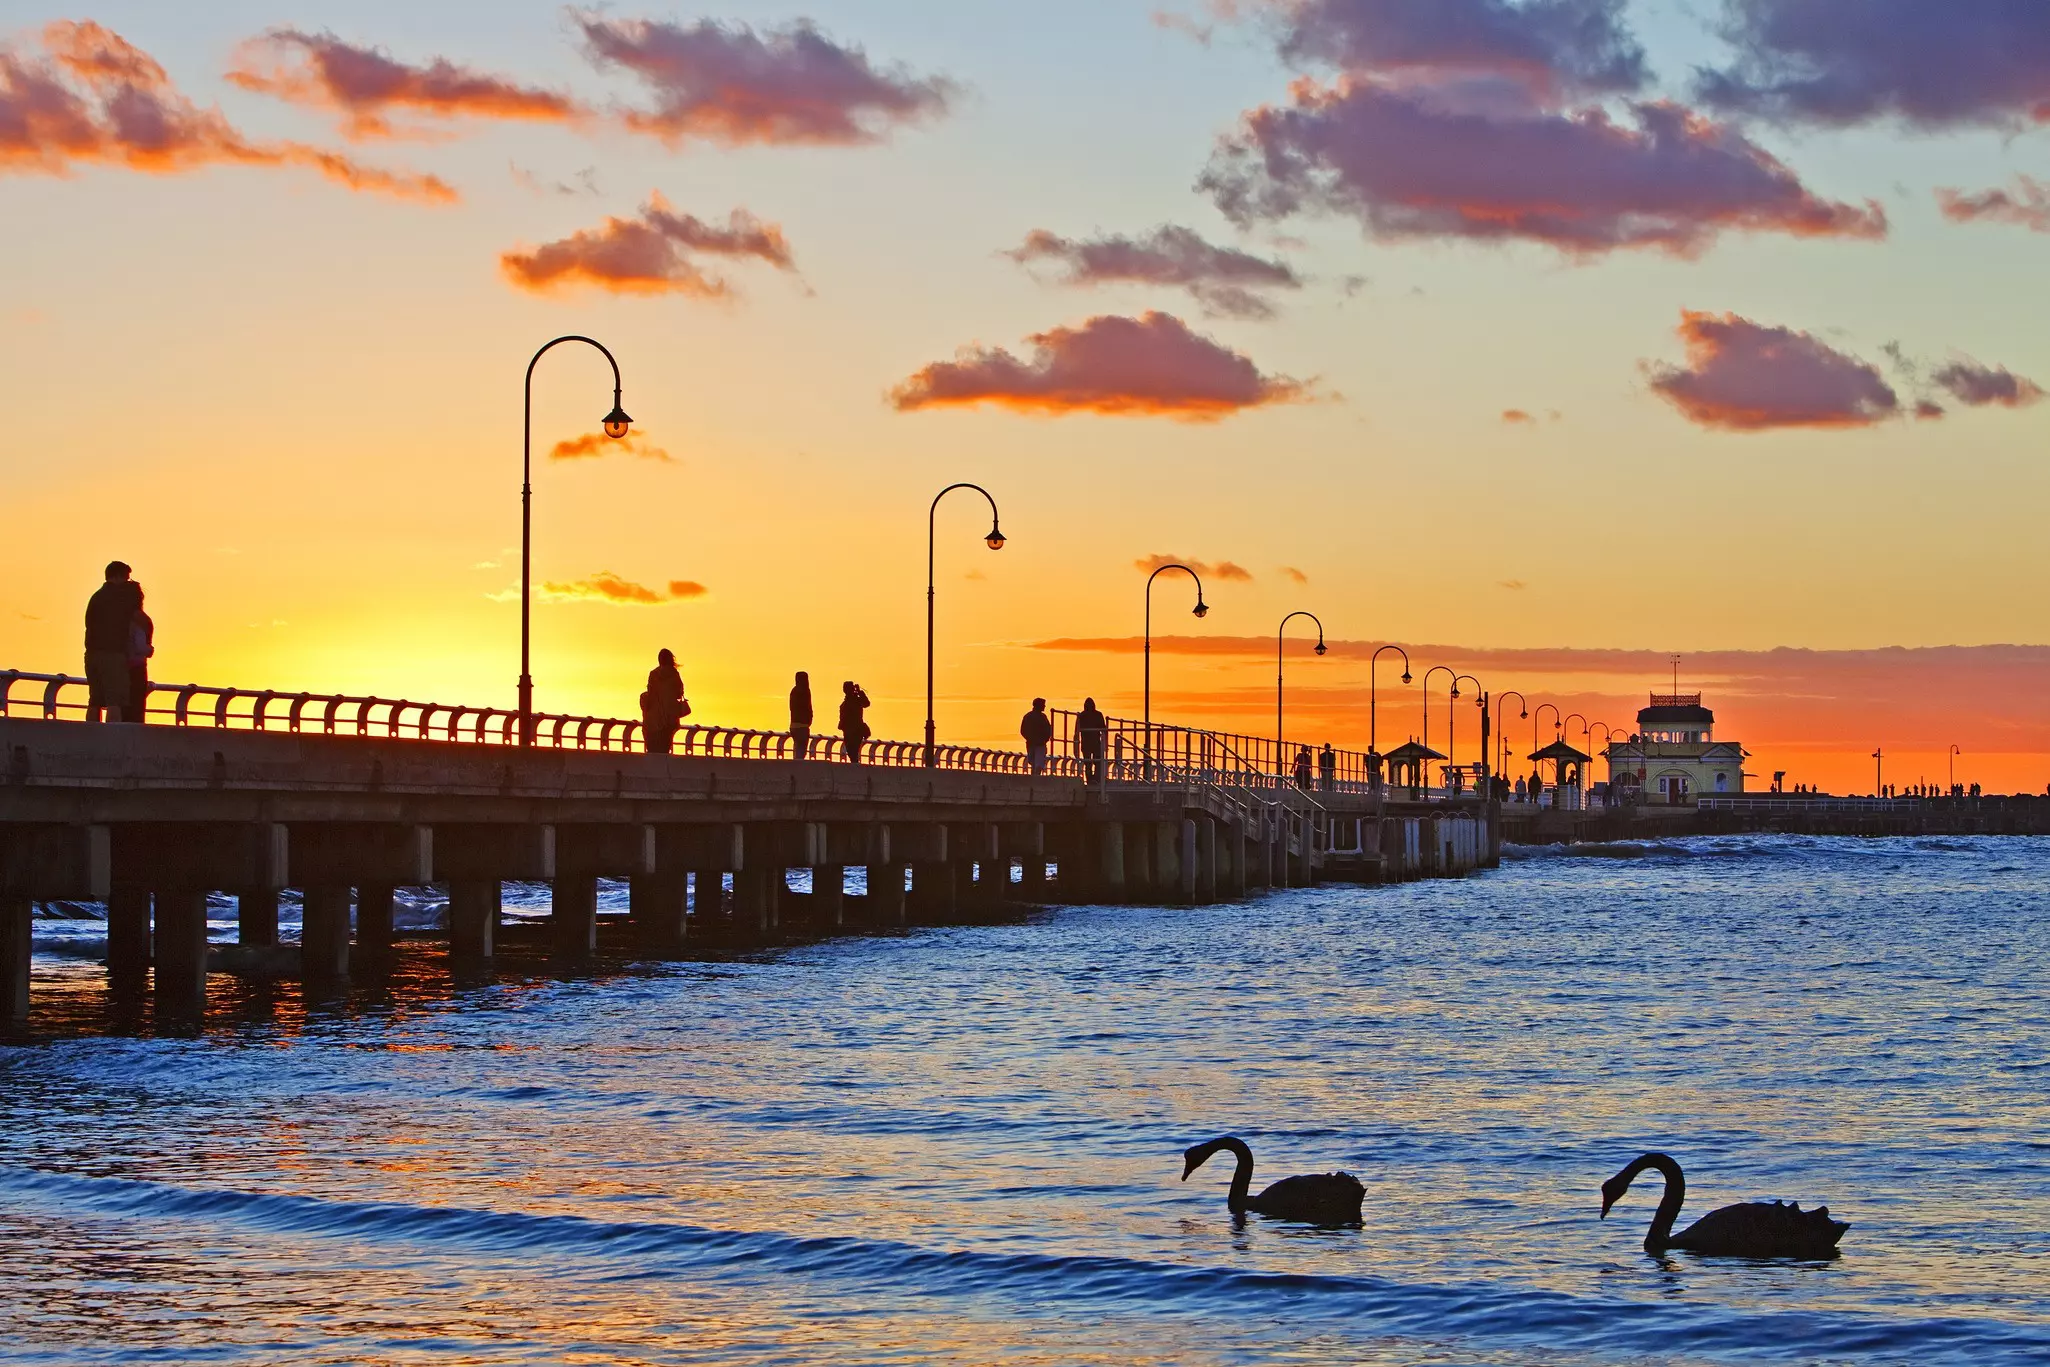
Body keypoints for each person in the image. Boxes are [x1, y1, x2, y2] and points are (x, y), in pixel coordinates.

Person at [84, 561, 140, 723]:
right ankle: (112, 738)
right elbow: (134, 615)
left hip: (92, 653)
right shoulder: (118, 598)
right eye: (126, 579)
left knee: (95, 699)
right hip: (112, 654)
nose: (128, 582)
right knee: (115, 700)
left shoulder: (97, 597)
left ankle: (90, 734)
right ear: (116, 577)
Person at [640, 648, 687, 754]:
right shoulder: (674, 674)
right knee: (666, 742)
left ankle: (654, 762)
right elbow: (680, 692)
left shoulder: (654, 674)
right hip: (670, 715)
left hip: (655, 716)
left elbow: (650, 691)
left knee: (653, 745)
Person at [127, 585, 155, 723]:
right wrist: (150, 650)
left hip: (121, 666)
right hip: (138, 667)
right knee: (137, 705)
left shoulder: (118, 618)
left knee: (123, 706)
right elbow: (140, 646)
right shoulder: (141, 619)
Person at [1075, 697, 1108, 786]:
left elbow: (1076, 732)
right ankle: (1095, 779)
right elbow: (1104, 730)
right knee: (1097, 763)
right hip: (1095, 743)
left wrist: (1075, 746)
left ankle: (1090, 780)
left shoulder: (1081, 715)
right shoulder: (1098, 715)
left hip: (1087, 744)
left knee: (1088, 763)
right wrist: (1106, 744)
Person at [838, 680, 871, 764]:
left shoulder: (856, 701)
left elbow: (866, 703)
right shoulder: (847, 703)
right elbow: (866, 703)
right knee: (852, 751)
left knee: (853, 751)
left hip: (855, 730)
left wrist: (860, 692)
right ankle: (855, 764)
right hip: (851, 730)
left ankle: (855, 765)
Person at [1020, 697, 1054, 775]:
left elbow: (1023, 731)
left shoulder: (1028, 716)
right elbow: (1048, 729)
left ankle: (1034, 777)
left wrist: (1029, 738)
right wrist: (1045, 739)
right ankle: (1036, 777)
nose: (1044, 706)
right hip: (1040, 744)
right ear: (1038, 706)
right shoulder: (1043, 717)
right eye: (1043, 705)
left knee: (1033, 763)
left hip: (1031, 743)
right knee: (1038, 763)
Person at [789, 671, 814, 759]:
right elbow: (808, 707)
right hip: (803, 726)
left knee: (797, 748)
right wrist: (809, 719)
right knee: (801, 752)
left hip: (793, 725)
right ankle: (797, 769)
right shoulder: (805, 690)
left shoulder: (793, 691)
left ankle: (795, 767)